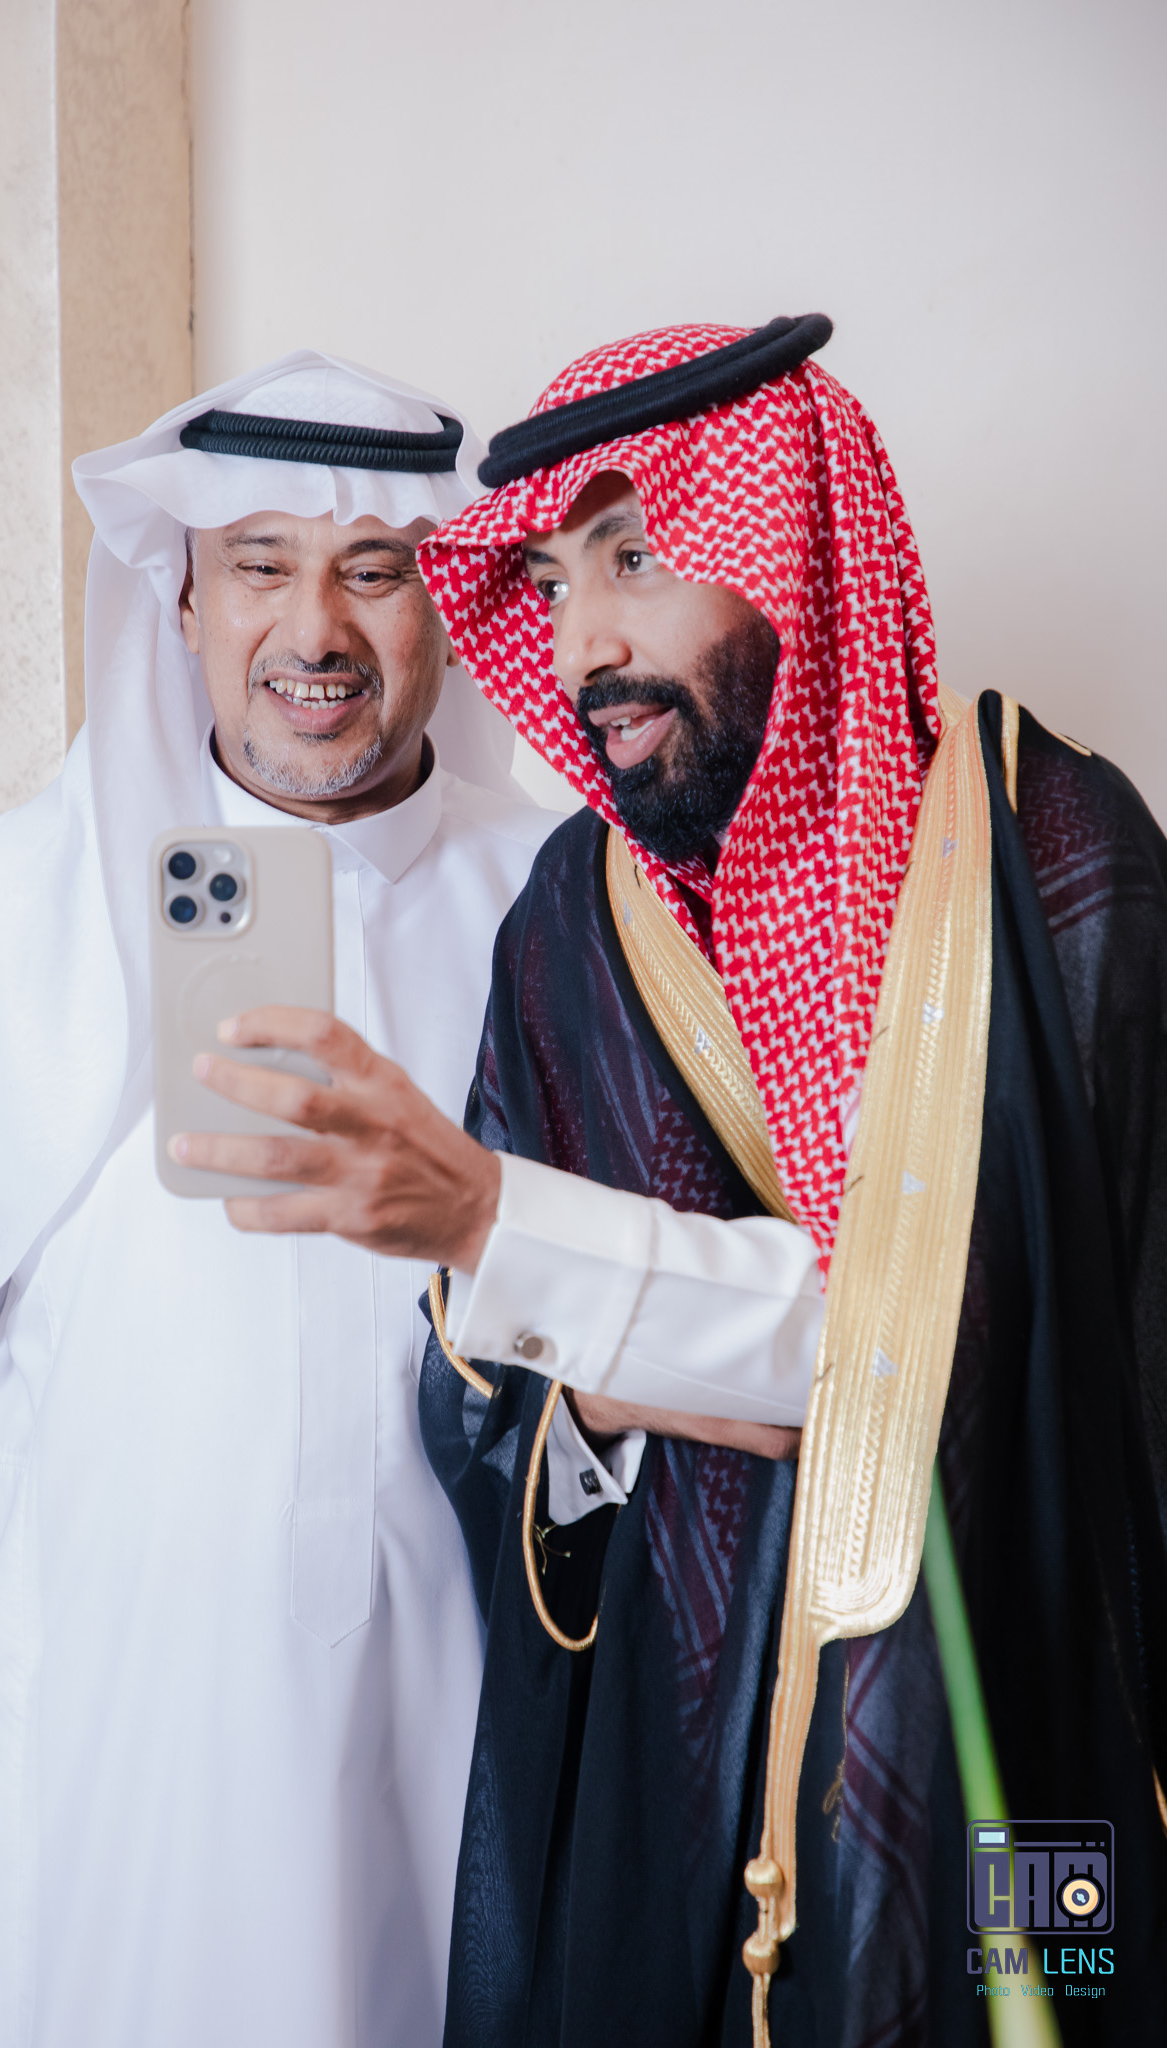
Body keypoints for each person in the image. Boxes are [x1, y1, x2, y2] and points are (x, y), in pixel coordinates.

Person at [189, 320, 1167, 2044]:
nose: (587, 643)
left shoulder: (1053, 862)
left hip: (1005, 1767)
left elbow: (1006, 1343)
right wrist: (585, 1402)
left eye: (637, 557)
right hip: (668, 1762)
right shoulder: (571, 923)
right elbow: (482, 1399)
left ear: (792, 541)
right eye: (552, 582)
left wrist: (528, 1244)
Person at [0, 353, 559, 2046]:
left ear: (451, 604)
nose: (315, 629)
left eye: (375, 571)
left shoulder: (555, 908)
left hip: (439, 1754)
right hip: (90, 1776)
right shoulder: (23, 898)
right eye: (259, 566)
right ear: (186, 603)